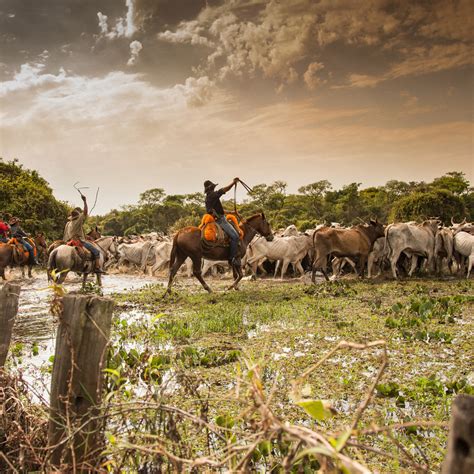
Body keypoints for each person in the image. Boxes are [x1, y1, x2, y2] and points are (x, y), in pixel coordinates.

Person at [63, 195, 105, 274]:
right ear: (78, 217)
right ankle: (97, 267)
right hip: (79, 242)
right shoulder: (78, 221)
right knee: (96, 252)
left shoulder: (69, 223)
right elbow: (85, 212)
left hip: (70, 241)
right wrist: (85, 201)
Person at [204, 177, 241, 265]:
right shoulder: (213, 195)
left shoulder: (208, 197)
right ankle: (232, 258)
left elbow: (218, 210)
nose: (214, 188)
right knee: (235, 236)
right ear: (211, 188)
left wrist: (231, 212)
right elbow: (224, 190)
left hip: (215, 219)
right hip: (220, 220)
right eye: (213, 187)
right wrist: (233, 183)